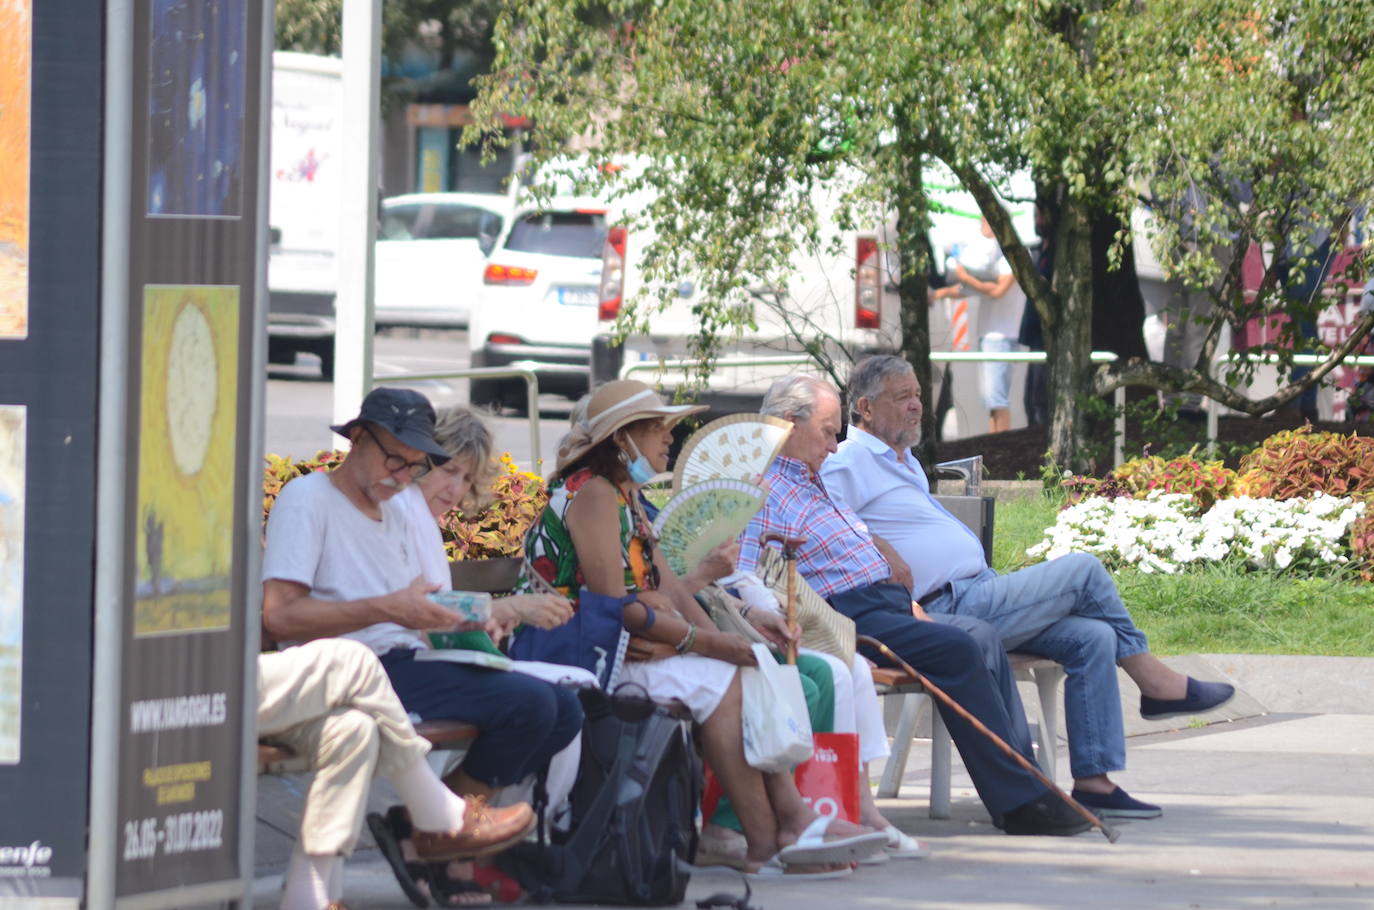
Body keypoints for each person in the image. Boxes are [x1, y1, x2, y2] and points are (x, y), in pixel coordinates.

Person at [822, 355, 1238, 818]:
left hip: (980, 591)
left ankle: (1094, 783)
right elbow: (828, 519)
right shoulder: (848, 461)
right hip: (944, 610)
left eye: (918, 394)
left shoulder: (901, 460)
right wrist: (882, 548)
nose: (917, 405)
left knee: (1092, 637)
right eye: (903, 397)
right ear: (865, 407)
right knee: (1082, 569)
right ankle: (1155, 682)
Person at [520, 379, 887, 877]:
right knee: (726, 681)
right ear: (622, 438)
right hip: (588, 656)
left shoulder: (623, 492)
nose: (669, 437)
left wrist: (725, 642)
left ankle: (787, 821)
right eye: (657, 428)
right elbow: (612, 608)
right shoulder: (593, 495)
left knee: (748, 663)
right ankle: (766, 834)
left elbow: (667, 587)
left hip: (629, 644)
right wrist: (704, 641)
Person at [737, 374, 1090, 836]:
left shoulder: (811, 478)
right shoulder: (761, 489)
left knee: (979, 635)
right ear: (787, 424)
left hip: (887, 605)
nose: (834, 444)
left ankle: (1027, 783)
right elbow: (744, 573)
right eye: (827, 431)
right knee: (957, 648)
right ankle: (1020, 801)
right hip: (845, 616)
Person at [261, 387, 584, 808]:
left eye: (414, 466)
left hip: (400, 662)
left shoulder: (395, 507)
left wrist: (473, 621)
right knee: (536, 705)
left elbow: (421, 612)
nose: (400, 477)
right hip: (347, 673)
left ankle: (445, 826)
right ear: (358, 438)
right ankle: (445, 826)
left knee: (564, 709)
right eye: (395, 459)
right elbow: (280, 618)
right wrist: (394, 610)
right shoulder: (308, 498)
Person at [259, 638, 534, 910]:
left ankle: (306, 899)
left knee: (355, 730)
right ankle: (438, 814)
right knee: (354, 659)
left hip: (246, 683)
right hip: (223, 682)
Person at [947, 216, 1027, 434]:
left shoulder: (1010, 257)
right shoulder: (995, 255)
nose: (981, 224)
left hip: (1000, 335)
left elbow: (997, 291)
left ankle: (1000, 445)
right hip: (991, 335)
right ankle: (995, 444)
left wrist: (964, 276)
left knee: (998, 399)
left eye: (985, 220)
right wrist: (940, 293)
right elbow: (976, 288)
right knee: (992, 400)